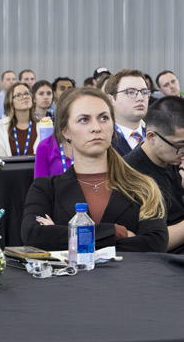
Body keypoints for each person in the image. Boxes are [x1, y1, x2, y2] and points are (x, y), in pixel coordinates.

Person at [21, 87, 167, 252]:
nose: (96, 127)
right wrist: (118, 232)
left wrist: (65, 236)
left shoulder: (144, 186)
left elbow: (155, 244)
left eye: (104, 118)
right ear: (65, 131)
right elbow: (33, 236)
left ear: (113, 126)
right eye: (84, 120)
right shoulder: (45, 188)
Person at [123, 96, 184, 253]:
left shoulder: (175, 160)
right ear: (151, 137)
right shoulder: (131, 175)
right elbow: (152, 243)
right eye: (179, 146)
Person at [104, 69, 149, 156]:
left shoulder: (158, 137)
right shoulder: (103, 140)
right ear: (111, 100)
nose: (140, 98)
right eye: (131, 92)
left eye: (144, 92)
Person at [0, 83, 40, 157]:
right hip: (8, 168)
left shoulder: (43, 126)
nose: (25, 97)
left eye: (27, 93)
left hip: (36, 168)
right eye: (18, 95)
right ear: (10, 101)